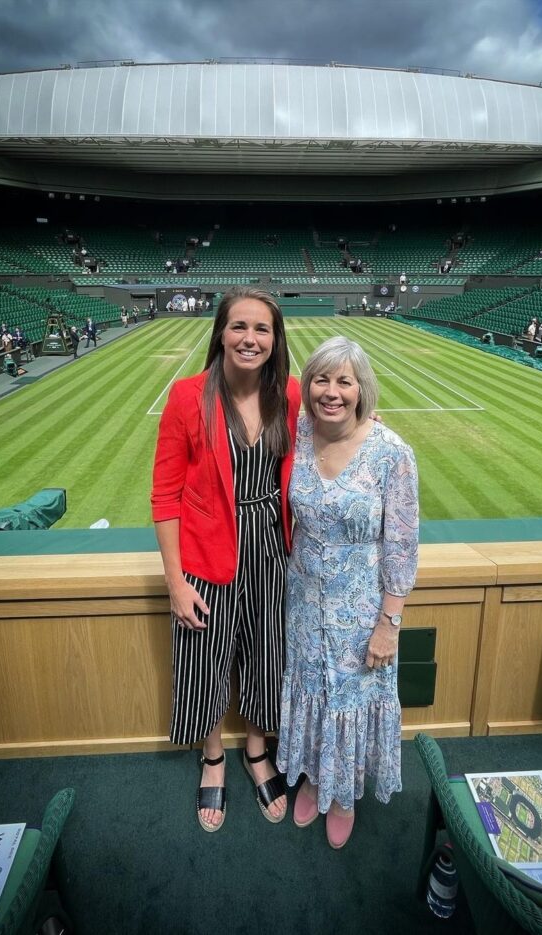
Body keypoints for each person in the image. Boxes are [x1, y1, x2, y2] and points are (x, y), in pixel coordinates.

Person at [151, 286, 300, 834]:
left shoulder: (290, 394)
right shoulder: (189, 396)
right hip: (206, 551)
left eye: (262, 329)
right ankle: (212, 755)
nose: (250, 338)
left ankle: (256, 749)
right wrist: (174, 580)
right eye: (239, 326)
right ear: (220, 332)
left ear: (275, 339)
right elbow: (165, 494)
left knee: (268, 655)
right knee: (203, 661)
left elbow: (333, 436)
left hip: (271, 547)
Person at [277, 336, 419, 849]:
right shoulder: (298, 431)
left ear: (362, 389)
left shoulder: (391, 453)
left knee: (352, 702)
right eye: (321, 379)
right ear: (307, 386)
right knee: (313, 693)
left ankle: (344, 796)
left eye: (344, 381)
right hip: (303, 604)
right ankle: (316, 777)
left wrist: (390, 622)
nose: (331, 392)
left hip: (362, 613)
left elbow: (402, 545)